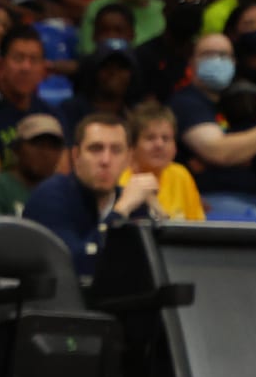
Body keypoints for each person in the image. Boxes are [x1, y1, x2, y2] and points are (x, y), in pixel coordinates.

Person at [169, 32, 256, 219]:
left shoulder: (239, 98)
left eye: (225, 55)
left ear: (234, 63)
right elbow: (218, 151)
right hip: (213, 200)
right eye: (209, 54)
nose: (218, 60)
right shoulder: (186, 102)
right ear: (192, 62)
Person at [24, 115, 158, 278]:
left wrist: (157, 214)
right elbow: (77, 267)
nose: (106, 160)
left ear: (128, 158)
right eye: (96, 149)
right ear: (76, 156)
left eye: (116, 150)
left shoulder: (132, 202)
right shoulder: (50, 196)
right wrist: (120, 211)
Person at [0, 24, 61, 183]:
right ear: (1, 66)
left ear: (43, 69)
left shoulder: (50, 114)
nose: (26, 67)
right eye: (18, 58)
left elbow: (61, 179)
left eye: (33, 60)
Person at [0, 112, 66, 218]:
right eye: (37, 144)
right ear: (16, 149)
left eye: (53, 147)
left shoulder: (65, 193)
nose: (45, 153)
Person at [123, 102, 204, 222]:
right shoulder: (120, 179)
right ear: (132, 146)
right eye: (150, 138)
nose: (159, 145)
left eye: (166, 138)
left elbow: (197, 227)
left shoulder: (180, 175)